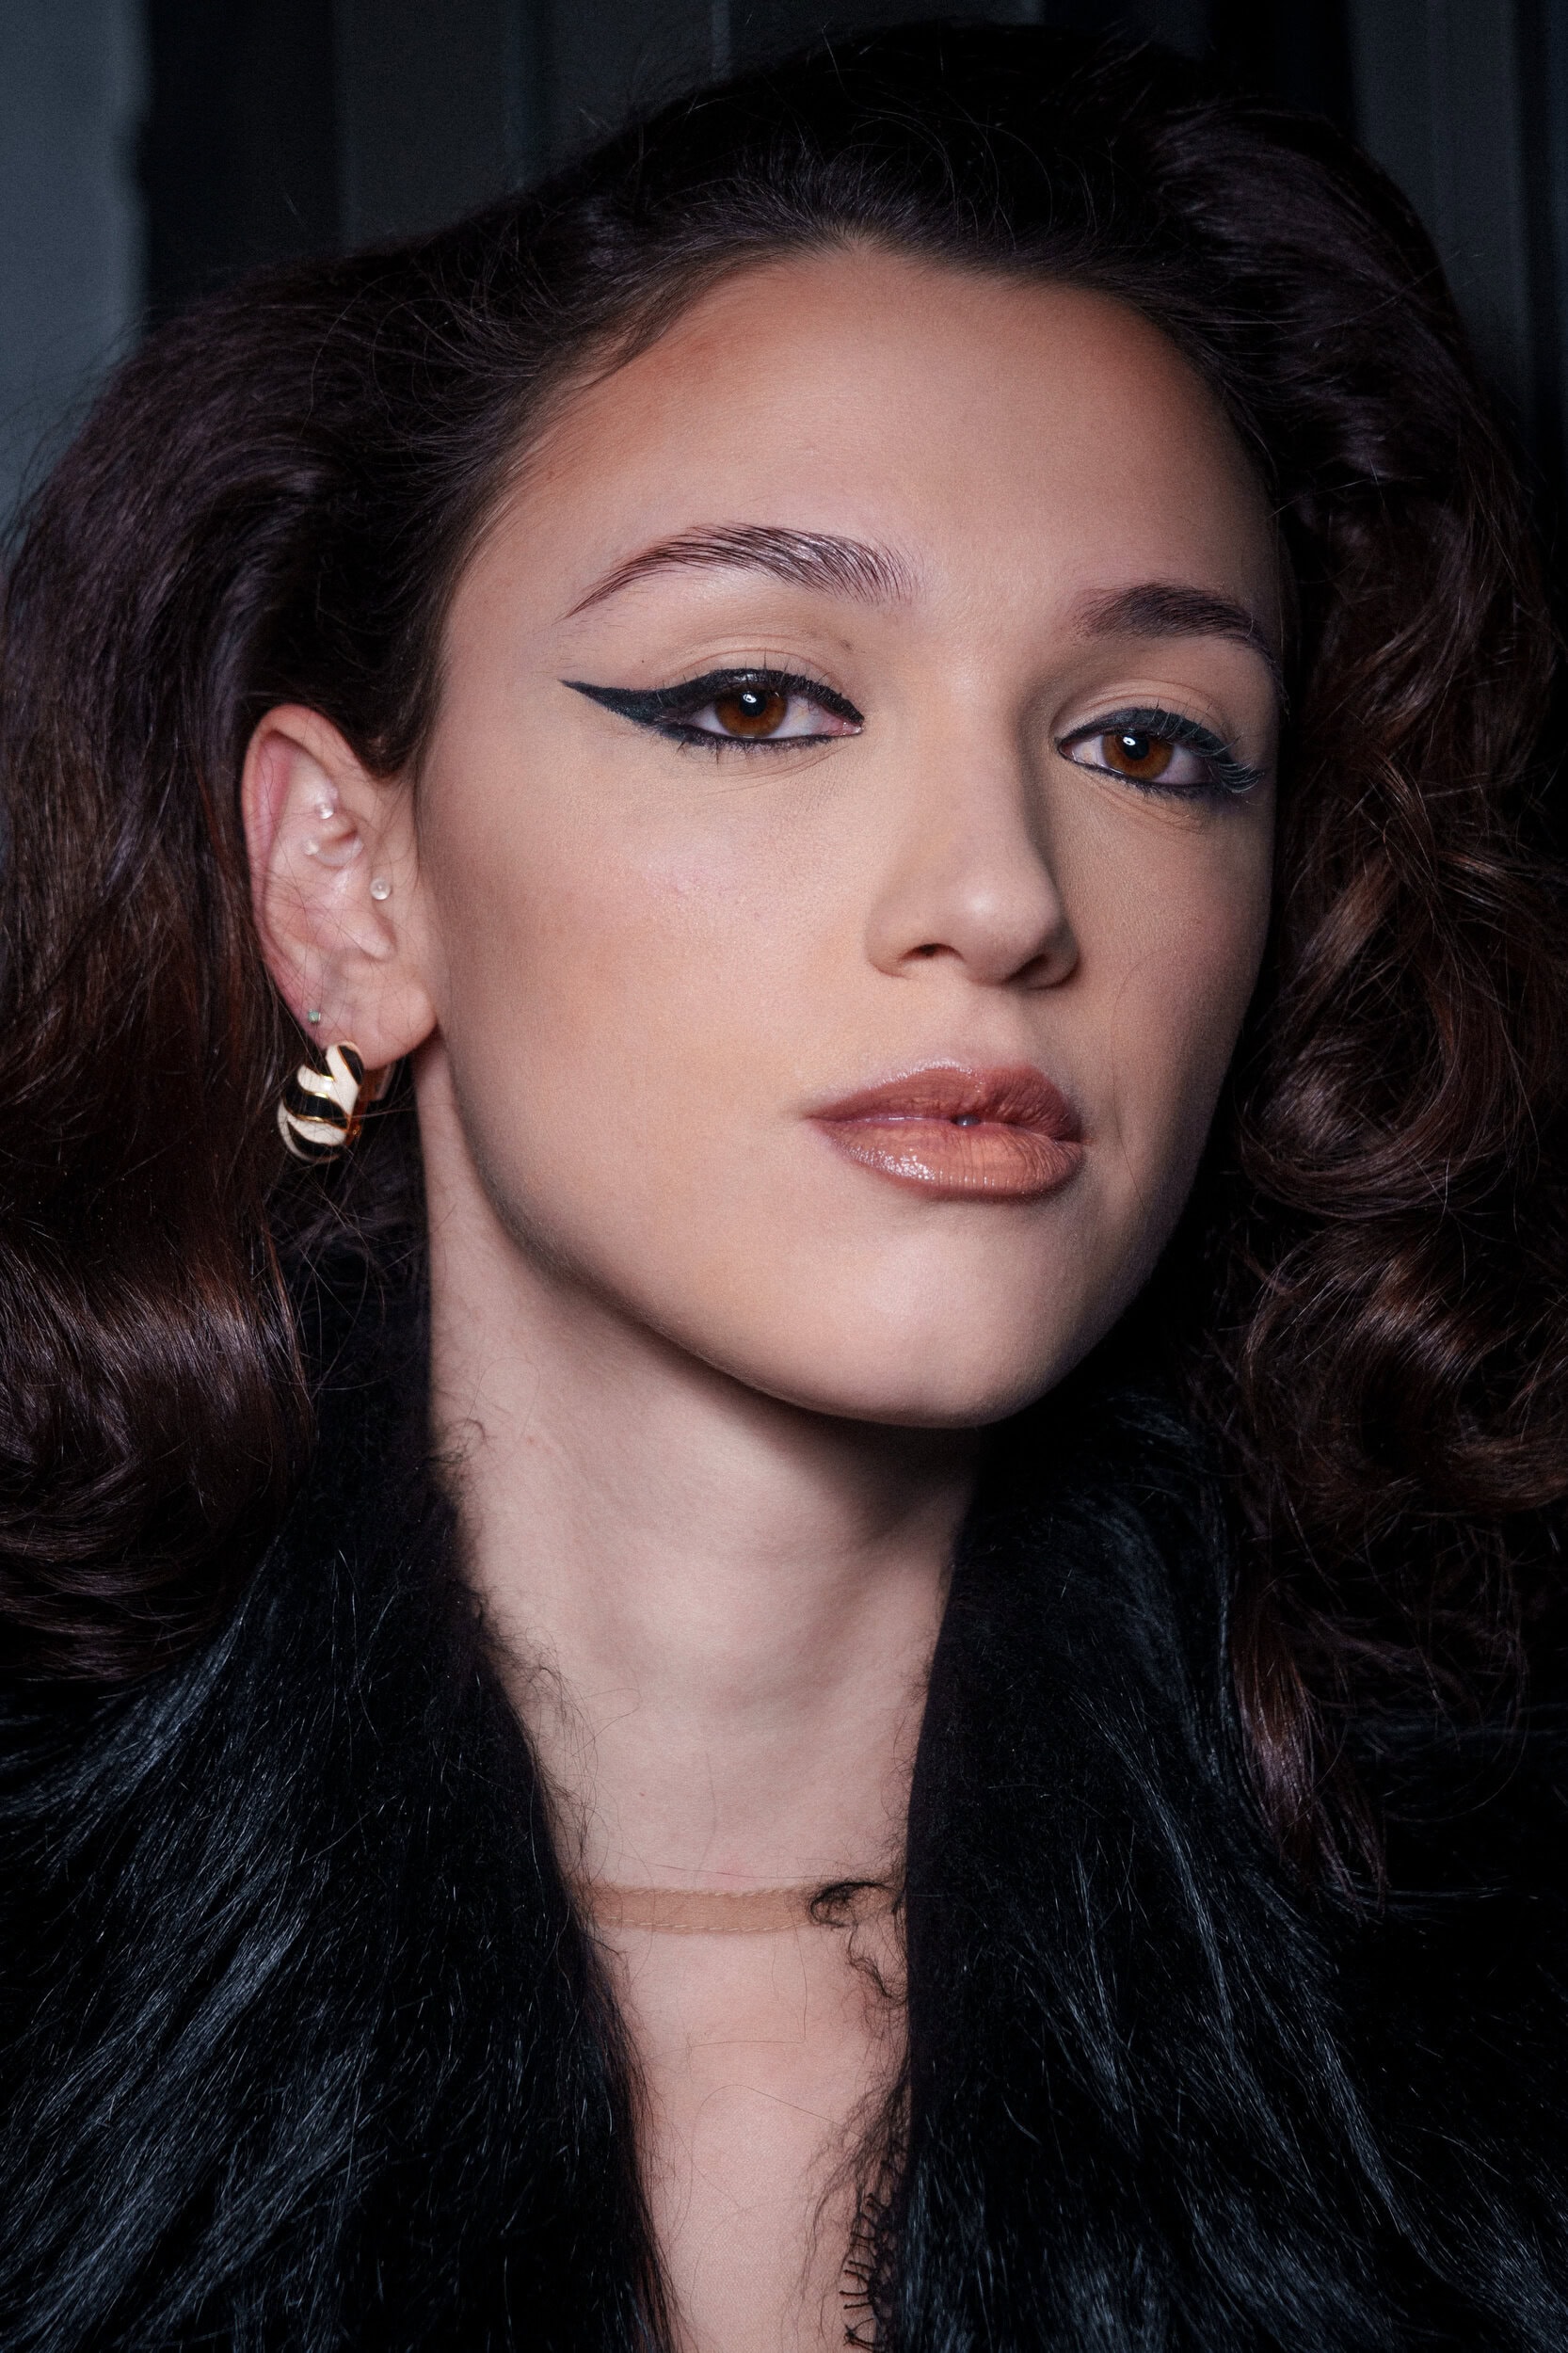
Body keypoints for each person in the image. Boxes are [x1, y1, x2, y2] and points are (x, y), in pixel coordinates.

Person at [3, 22, 1566, 2350]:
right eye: (753, 698)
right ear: (347, 877)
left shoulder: (1487, 2008)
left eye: (1146, 741)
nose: (999, 894)